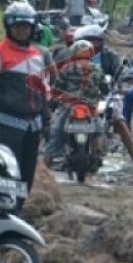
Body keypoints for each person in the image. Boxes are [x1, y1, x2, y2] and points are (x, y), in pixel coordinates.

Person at [0, 1, 48, 211]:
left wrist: (46, 119)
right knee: (6, 171)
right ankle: (2, 210)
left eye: (26, 26)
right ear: (9, 27)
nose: (22, 30)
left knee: (27, 172)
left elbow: (44, 89)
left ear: (32, 28)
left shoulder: (38, 55)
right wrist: (3, 104)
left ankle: (18, 209)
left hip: (33, 125)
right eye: (17, 26)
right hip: (8, 123)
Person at [71, 25, 133, 165]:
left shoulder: (109, 55)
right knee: (58, 121)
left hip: (105, 94)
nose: (92, 44)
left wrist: (124, 78)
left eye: (95, 40)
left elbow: (122, 70)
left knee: (118, 119)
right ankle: (50, 157)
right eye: (88, 40)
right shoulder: (71, 55)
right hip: (77, 95)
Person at [43, 40, 108, 174]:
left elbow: (56, 89)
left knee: (56, 134)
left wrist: (53, 101)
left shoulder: (67, 69)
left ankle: (44, 169)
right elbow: (105, 89)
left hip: (69, 108)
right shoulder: (96, 69)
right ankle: (97, 154)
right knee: (99, 131)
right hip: (90, 109)